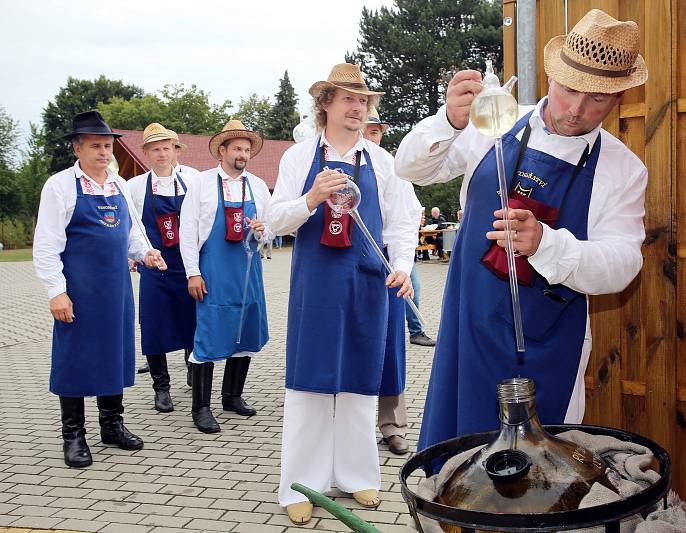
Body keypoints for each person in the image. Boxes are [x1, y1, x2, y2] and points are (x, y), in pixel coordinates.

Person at [395, 9, 648, 452]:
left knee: (539, 475)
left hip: (549, 341)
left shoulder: (622, 168)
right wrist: (449, 121)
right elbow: (411, 167)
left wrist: (548, 244)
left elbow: (623, 264)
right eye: (569, 90)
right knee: (458, 458)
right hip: (468, 328)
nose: (576, 111)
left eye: (597, 100)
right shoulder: (495, 122)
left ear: (619, 99)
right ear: (553, 76)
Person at [270, 63, 418, 524]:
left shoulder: (382, 160)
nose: (358, 108)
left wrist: (404, 268)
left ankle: (357, 476)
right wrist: (311, 198)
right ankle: (301, 483)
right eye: (348, 100)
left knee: (359, 378)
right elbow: (274, 221)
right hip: (316, 283)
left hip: (368, 282)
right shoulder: (298, 158)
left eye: (363, 101)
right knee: (311, 380)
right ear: (326, 105)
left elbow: (403, 221)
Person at [33, 110, 167, 468]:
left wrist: (147, 253)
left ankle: (112, 425)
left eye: (108, 145)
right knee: (74, 359)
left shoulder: (119, 183)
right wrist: (55, 291)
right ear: (77, 148)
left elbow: (133, 232)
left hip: (117, 290)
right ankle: (73, 436)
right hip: (78, 291)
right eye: (96, 146)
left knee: (114, 355)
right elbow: (46, 245)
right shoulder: (60, 186)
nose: (104, 152)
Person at [179, 119, 271, 434]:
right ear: (222, 150)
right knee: (208, 335)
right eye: (237, 148)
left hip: (247, 271)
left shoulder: (257, 185)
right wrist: (192, 272)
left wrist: (263, 231)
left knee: (244, 331)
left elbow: (270, 229)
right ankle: (201, 408)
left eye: (247, 149)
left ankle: (232, 396)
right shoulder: (202, 184)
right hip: (213, 271)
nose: (243, 154)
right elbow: (187, 233)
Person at [362, 108, 422, 455]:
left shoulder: (391, 165)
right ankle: (346, 426)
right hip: (345, 259)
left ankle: (393, 425)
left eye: (376, 130)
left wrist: (403, 263)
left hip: (384, 261)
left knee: (390, 347)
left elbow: (408, 217)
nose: (372, 136)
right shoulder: (329, 160)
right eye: (368, 130)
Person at [128, 123, 197, 411]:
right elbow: (130, 226)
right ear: (146, 153)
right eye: (155, 149)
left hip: (187, 263)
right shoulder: (134, 186)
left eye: (166, 148)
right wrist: (133, 255)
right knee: (154, 324)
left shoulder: (193, 179)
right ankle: (161, 386)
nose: (161, 154)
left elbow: (202, 220)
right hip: (155, 266)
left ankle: (194, 369)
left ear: (175, 150)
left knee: (192, 320)